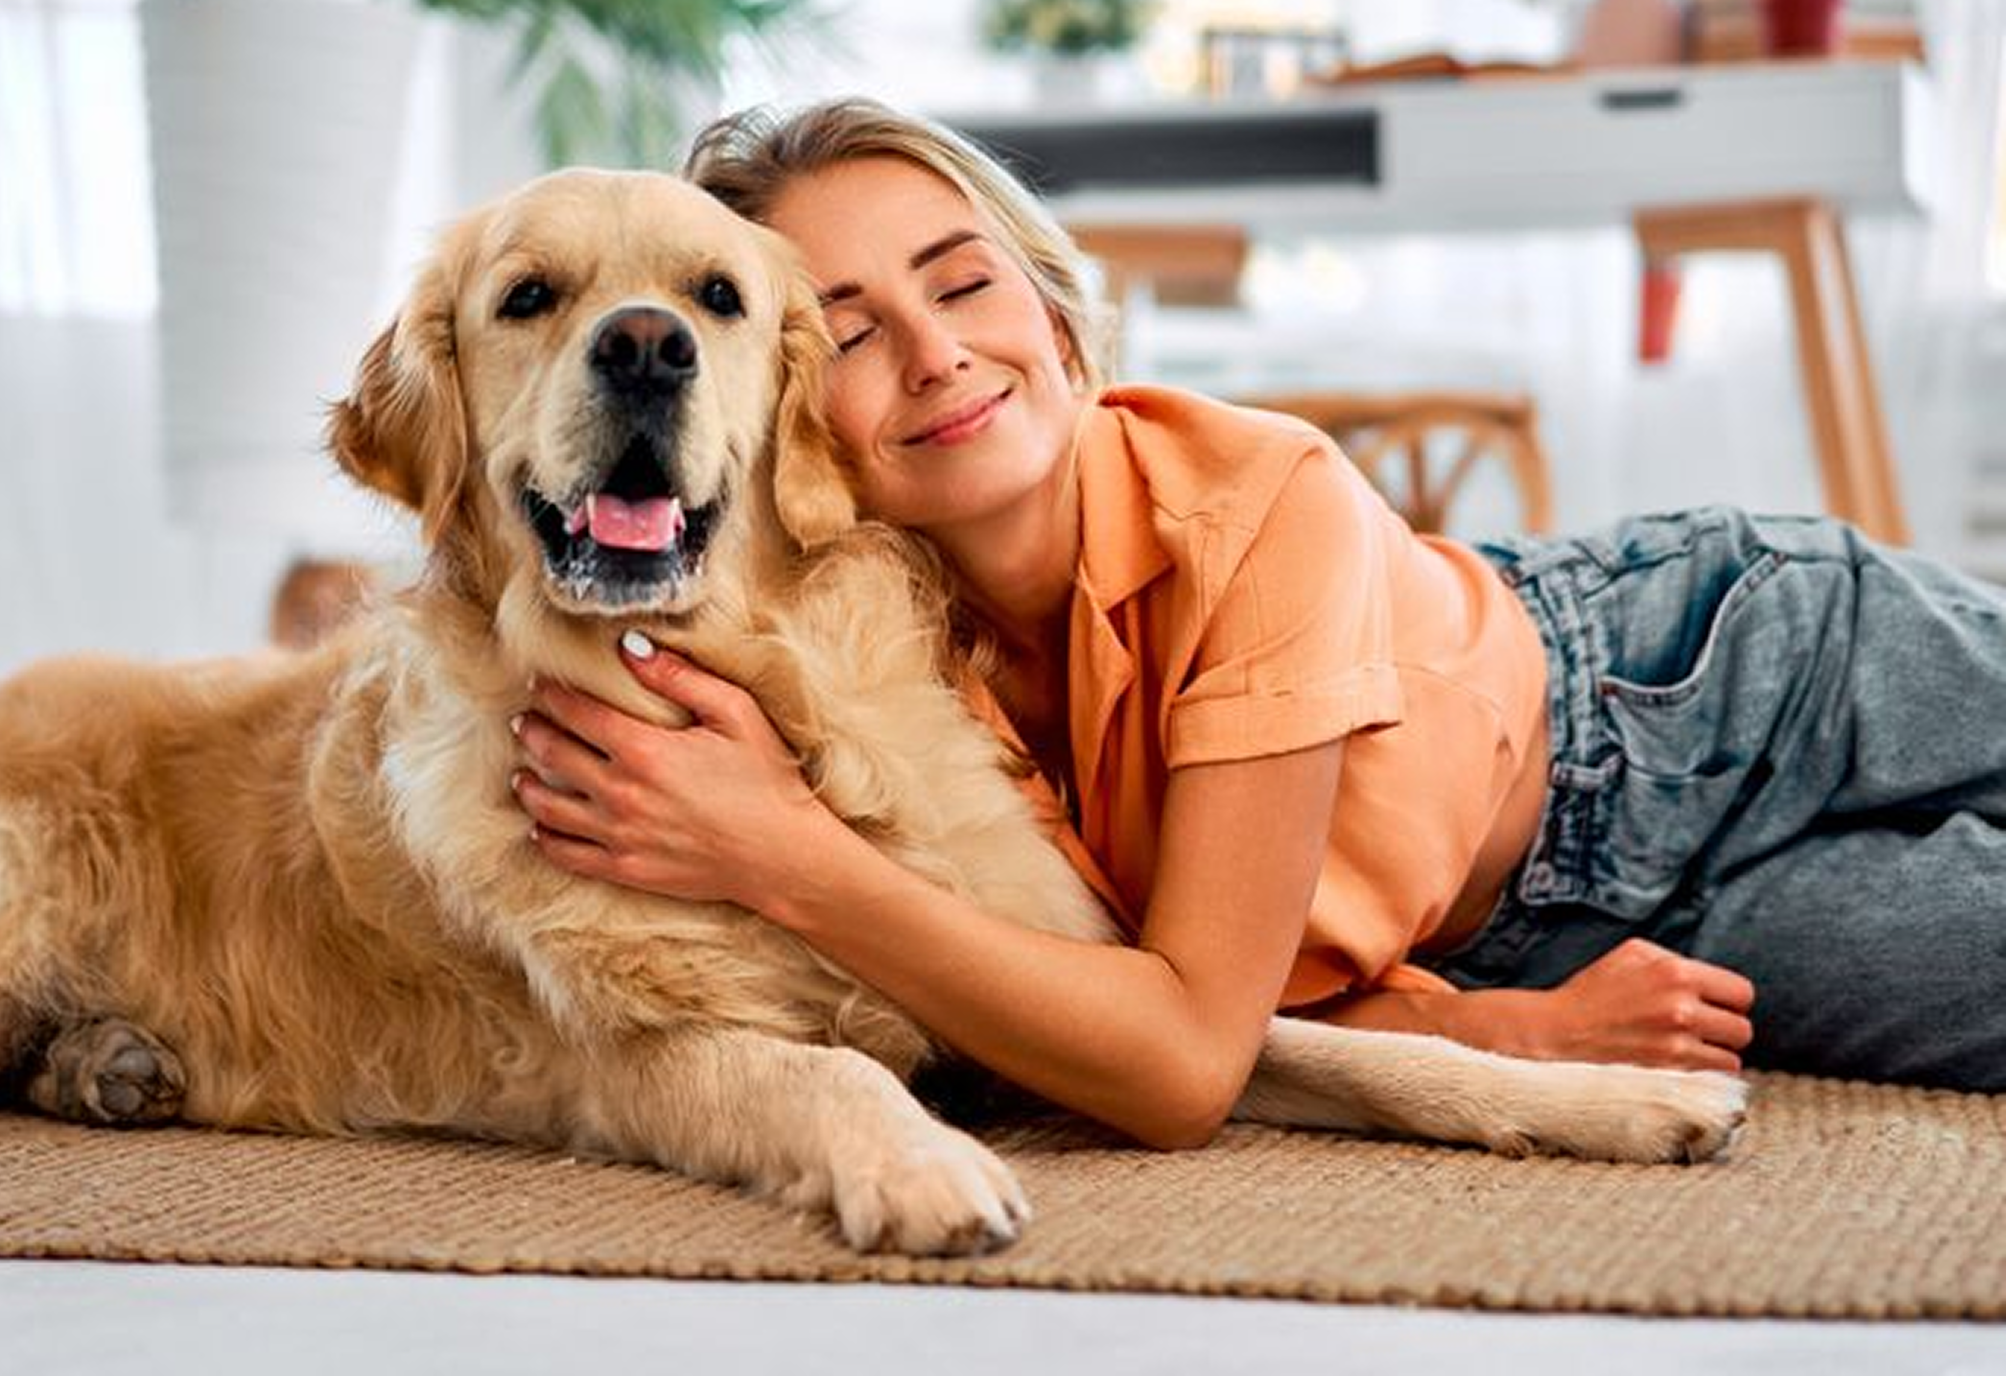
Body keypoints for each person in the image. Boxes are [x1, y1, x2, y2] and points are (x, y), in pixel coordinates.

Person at [508, 96, 2006, 1147]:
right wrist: (1493, 1025)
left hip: (1718, 670)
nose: (937, 352)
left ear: (1053, 309)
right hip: (1554, 927)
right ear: (773, 402)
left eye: (966, 284)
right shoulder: (865, 666)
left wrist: (785, 854)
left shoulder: (1257, 496)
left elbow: (1172, 1061)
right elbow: (1073, 1018)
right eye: (843, 331)